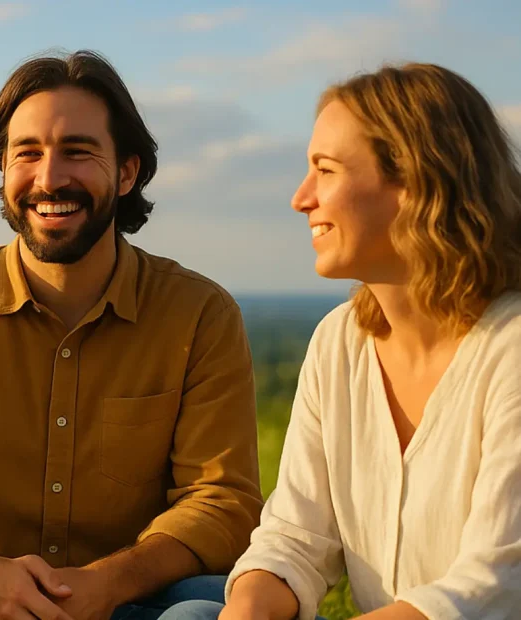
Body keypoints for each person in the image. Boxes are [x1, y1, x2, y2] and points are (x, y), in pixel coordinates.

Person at [0, 50, 263, 619]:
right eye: (28, 154)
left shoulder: (200, 313)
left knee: (207, 613)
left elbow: (221, 502)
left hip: (141, 599)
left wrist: (108, 583)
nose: (49, 178)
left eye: (77, 152)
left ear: (126, 172)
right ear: (3, 170)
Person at [216, 63, 521, 620]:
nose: (300, 198)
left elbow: (497, 586)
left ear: (414, 182)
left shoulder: (511, 348)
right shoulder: (339, 343)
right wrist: (250, 607)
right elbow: (293, 538)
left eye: (325, 171)